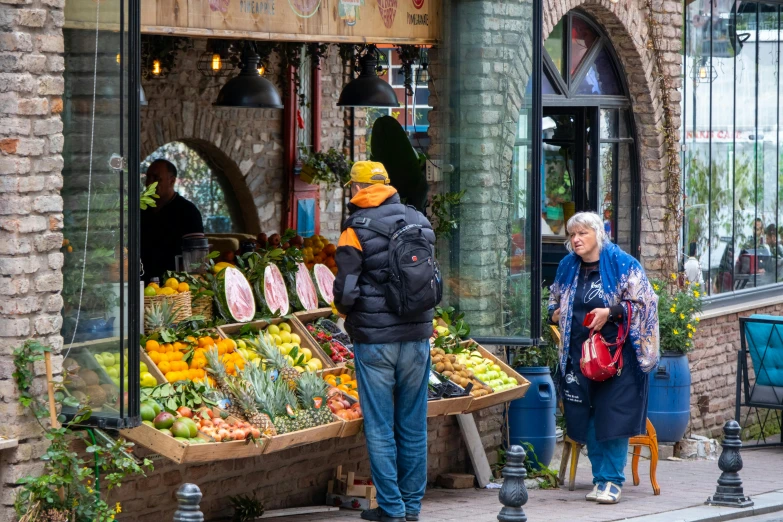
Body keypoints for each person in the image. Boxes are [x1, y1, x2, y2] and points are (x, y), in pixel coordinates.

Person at [333, 161, 436, 522]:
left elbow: (346, 289)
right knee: (412, 424)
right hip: (417, 336)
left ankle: (390, 508)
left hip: (375, 341)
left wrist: (344, 312)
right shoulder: (419, 221)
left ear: (358, 188)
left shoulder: (355, 228)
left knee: (379, 425)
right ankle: (411, 508)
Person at [548, 212, 659, 505]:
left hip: (617, 358)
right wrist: (554, 314)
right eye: (572, 235)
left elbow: (645, 302)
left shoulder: (623, 265)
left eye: (582, 233)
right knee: (587, 415)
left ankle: (612, 480)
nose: (576, 240)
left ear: (598, 234)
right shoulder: (567, 266)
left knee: (612, 416)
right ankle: (599, 479)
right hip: (579, 357)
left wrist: (610, 313)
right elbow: (553, 299)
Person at [140, 159, 204, 283]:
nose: (149, 183)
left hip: (174, 287)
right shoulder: (141, 210)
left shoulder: (188, 211)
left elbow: (195, 259)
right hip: (141, 284)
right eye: (148, 177)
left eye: (156, 178)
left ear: (172, 181)